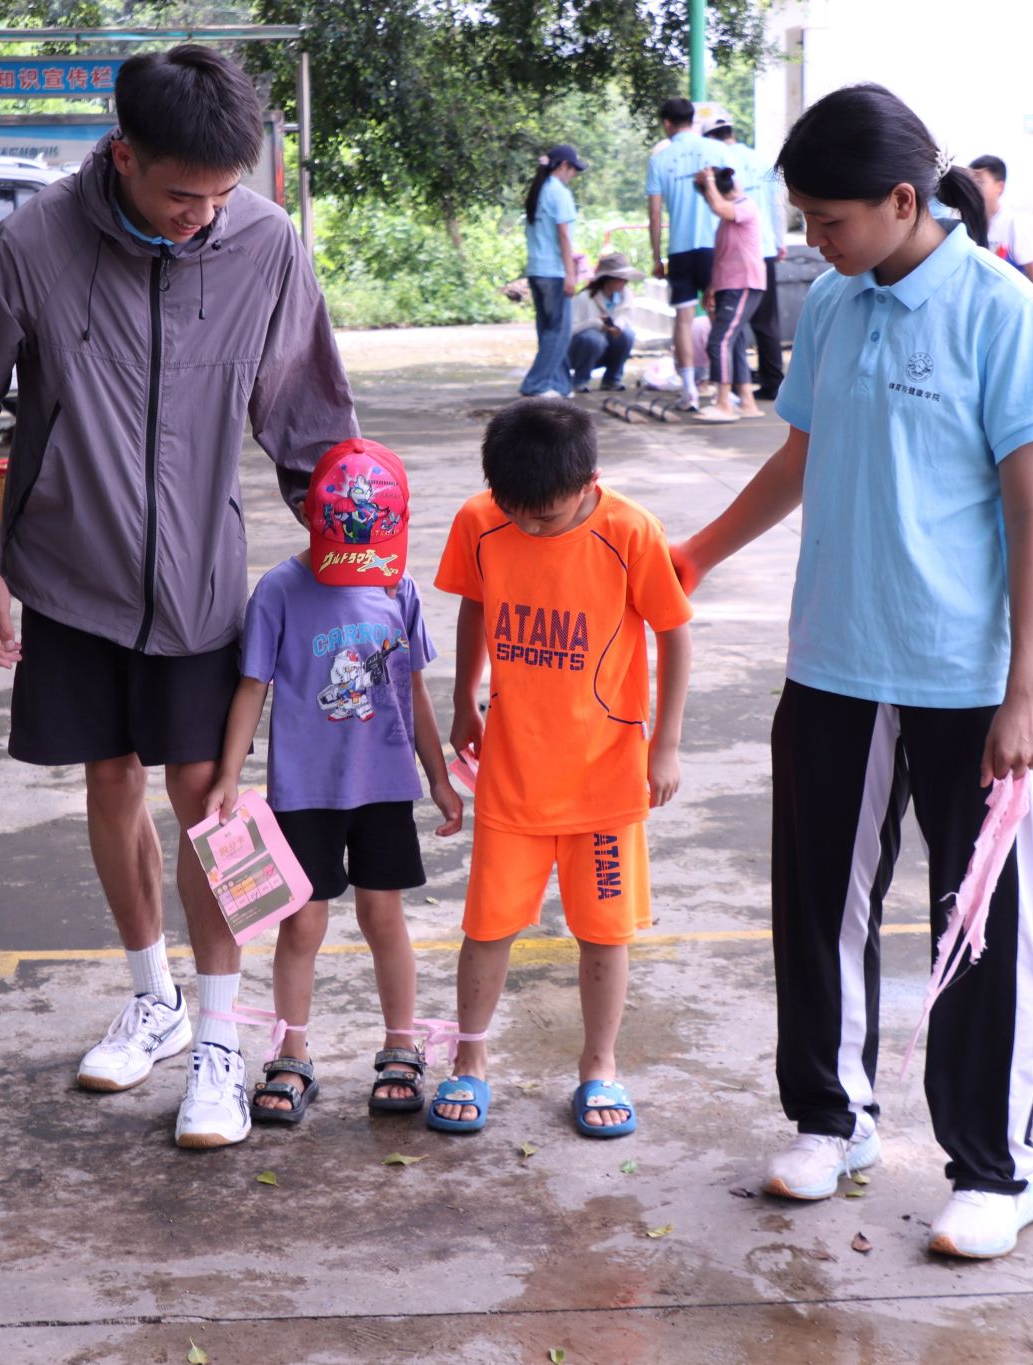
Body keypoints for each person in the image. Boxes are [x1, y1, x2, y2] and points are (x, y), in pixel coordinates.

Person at [0, 45, 358, 1149]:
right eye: (181, 197)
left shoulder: (265, 244)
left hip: (201, 582)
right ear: (122, 155)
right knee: (109, 777)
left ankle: (218, 1041)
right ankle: (152, 997)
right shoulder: (35, 244)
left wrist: (346, 552)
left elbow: (305, 408)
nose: (203, 218)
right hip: (69, 572)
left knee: (208, 800)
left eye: (222, 196)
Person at [671, 83, 1033, 1260]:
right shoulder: (836, 306)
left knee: (978, 921)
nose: (811, 241)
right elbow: (802, 454)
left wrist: (1028, 689)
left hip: (963, 677)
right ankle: (830, 1119)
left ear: (902, 200)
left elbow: (1032, 512)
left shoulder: (997, 311)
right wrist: (694, 554)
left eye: (827, 220)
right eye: (801, 219)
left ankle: (995, 1169)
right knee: (817, 905)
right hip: (834, 660)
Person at [427, 398, 693, 1140]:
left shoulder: (631, 531)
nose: (532, 530)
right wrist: (464, 698)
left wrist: (665, 744)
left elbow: (674, 633)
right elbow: (474, 604)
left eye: (545, 518)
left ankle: (599, 1066)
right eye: (518, 516)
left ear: (588, 482)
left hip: (605, 780)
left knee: (604, 933)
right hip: (513, 775)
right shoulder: (481, 520)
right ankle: (470, 1059)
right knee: (487, 926)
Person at [202, 439, 464, 1131]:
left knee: (384, 918)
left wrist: (438, 776)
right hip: (304, 793)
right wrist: (229, 774)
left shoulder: (398, 587)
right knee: (303, 922)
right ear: (308, 517)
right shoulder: (279, 591)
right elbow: (252, 687)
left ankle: (401, 1046)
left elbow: (413, 691)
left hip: (384, 789)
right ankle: (291, 1052)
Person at [646, 98, 725, 412]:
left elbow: (654, 214)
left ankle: (689, 389)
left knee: (683, 319)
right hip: (715, 246)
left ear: (667, 123)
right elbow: (732, 198)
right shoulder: (717, 150)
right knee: (719, 316)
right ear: (693, 120)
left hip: (679, 249)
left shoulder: (659, 160)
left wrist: (657, 257)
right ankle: (722, 389)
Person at [705, 117, 789, 401]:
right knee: (766, 322)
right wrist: (779, 241)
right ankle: (772, 381)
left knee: (732, 328)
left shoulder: (721, 165)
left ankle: (732, 389)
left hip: (740, 255)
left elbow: (720, 208)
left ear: (711, 138)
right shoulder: (761, 160)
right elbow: (777, 205)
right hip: (764, 247)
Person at [691, 164, 767, 423]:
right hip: (728, 285)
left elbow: (719, 206)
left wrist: (709, 180)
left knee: (719, 341)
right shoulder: (728, 219)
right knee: (733, 343)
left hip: (743, 284)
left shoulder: (744, 206)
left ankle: (723, 403)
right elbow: (725, 255)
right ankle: (747, 402)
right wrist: (712, 287)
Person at [519, 145, 586, 398]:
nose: (574, 175)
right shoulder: (559, 192)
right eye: (573, 169)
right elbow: (563, 235)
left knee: (548, 330)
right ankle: (535, 384)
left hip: (537, 269)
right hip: (554, 271)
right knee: (559, 331)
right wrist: (570, 273)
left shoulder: (540, 190)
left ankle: (558, 384)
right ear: (563, 166)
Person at [966, 156, 1033, 297]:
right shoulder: (966, 222)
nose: (973, 187)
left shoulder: (1013, 222)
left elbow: (1032, 270)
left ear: (1000, 187)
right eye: (970, 182)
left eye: (980, 182)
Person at [566, 252, 642, 393]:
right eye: (619, 279)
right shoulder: (584, 298)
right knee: (594, 339)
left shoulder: (625, 295)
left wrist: (617, 326)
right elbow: (569, 330)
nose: (624, 282)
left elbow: (626, 317)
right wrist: (595, 324)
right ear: (607, 279)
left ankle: (612, 380)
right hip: (578, 351)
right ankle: (580, 380)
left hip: (605, 350)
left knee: (627, 335)